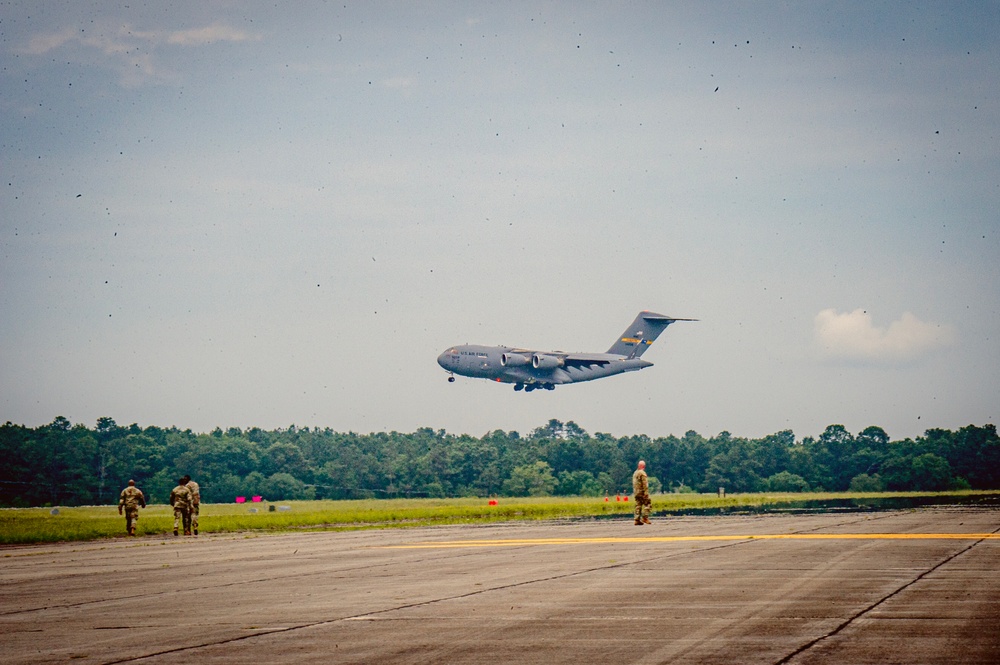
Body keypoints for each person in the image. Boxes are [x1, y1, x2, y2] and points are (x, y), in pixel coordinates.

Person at [632, 460, 652, 525]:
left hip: (636, 492)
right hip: (642, 492)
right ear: (644, 466)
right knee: (648, 504)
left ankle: (637, 519)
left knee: (638, 505)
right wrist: (646, 493)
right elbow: (645, 484)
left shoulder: (635, 473)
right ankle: (645, 517)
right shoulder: (642, 473)